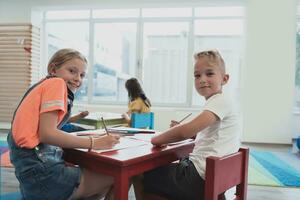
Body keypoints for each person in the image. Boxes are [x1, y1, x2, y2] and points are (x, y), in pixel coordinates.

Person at [7, 48, 120, 200]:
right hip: (44, 176)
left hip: (30, 179)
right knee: (118, 177)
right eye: (72, 71)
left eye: (82, 75)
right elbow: (47, 133)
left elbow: (44, 126)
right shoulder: (56, 83)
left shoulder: (41, 85)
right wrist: (95, 142)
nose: (77, 79)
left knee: (95, 189)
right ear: (53, 69)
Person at [134, 50, 240, 200]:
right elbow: (210, 135)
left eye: (209, 74)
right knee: (170, 166)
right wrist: (187, 131)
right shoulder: (222, 102)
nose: (202, 79)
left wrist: (156, 139)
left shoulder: (219, 101)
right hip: (213, 177)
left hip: (198, 178)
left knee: (140, 172)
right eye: (197, 75)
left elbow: (185, 132)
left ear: (224, 78)